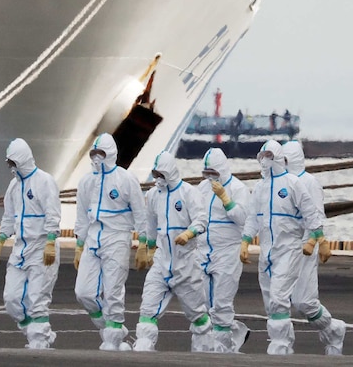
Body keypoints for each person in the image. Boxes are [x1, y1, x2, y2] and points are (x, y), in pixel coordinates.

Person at [240, 139, 330, 355]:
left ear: (279, 158)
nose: (265, 161)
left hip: (290, 249)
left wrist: (317, 238)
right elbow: (253, 217)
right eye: (263, 157)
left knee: (280, 298)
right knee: (271, 301)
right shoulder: (260, 188)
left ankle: (280, 345)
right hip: (267, 252)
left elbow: (311, 211)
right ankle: (284, 343)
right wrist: (245, 240)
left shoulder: (293, 183)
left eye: (269, 157)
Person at [74, 133, 147, 351]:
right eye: (94, 153)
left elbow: (140, 211)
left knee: (113, 290)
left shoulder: (125, 179)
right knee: (83, 292)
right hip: (93, 238)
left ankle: (114, 337)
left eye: (101, 153)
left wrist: (143, 242)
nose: (97, 158)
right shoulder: (86, 181)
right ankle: (111, 327)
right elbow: (81, 215)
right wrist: (79, 244)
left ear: (111, 154)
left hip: (117, 238)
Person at [133, 151, 211, 352]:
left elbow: (201, 220)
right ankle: (143, 345)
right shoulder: (152, 195)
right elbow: (150, 223)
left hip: (185, 262)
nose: (157, 178)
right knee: (148, 307)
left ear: (169, 173)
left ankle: (205, 347)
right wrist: (147, 248)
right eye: (155, 174)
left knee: (197, 314)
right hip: (162, 261)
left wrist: (189, 234)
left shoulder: (188, 193)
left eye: (161, 174)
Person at [0, 138, 61, 349]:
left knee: (37, 297)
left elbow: (53, 211)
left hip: (41, 247)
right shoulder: (14, 186)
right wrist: (1, 239)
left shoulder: (44, 181)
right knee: (12, 299)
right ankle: (36, 333)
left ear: (22, 159)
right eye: (9, 163)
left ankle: (40, 341)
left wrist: (51, 240)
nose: (11, 168)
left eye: (13, 162)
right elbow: (9, 215)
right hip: (20, 249)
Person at [282, 140, 347, 355]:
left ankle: (332, 329)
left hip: (305, 247)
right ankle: (282, 344)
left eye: (284, 159)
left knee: (303, 302)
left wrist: (313, 239)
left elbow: (317, 214)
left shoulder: (309, 182)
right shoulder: (281, 182)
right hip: (284, 247)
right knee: (277, 299)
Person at [196, 148, 252, 353]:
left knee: (221, 303)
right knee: (201, 303)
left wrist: (226, 199)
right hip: (202, 251)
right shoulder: (201, 189)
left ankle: (220, 350)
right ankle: (234, 332)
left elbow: (245, 219)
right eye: (207, 173)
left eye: (214, 172)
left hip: (228, 251)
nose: (210, 177)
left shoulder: (238, 188)